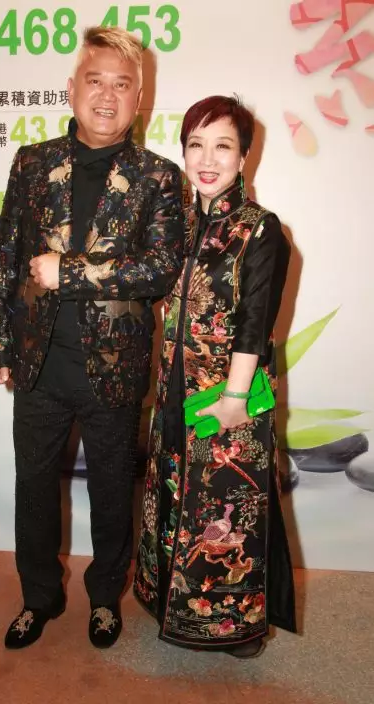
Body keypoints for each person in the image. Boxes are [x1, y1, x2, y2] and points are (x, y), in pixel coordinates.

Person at [0, 26, 184, 650]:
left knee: (111, 494)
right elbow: (6, 255)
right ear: (72, 88)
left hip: (115, 371)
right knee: (34, 491)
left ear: (139, 99)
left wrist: (68, 271)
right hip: (38, 364)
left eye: (122, 85)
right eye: (95, 81)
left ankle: (103, 599)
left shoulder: (159, 177)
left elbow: (161, 269)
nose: (106, 95)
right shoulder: (33, 163)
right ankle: (38, 597)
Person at [134, 95, 296, 657]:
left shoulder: (260, 229)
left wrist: (234, 398)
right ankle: (168, 604)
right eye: (195, 145)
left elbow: (255, 321)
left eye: (222, 146)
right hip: (174, 389)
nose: (207, 159)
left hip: (229, 396)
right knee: (173, 494)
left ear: (244, 156)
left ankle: (234, 627)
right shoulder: (179, 222)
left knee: (224, 512)